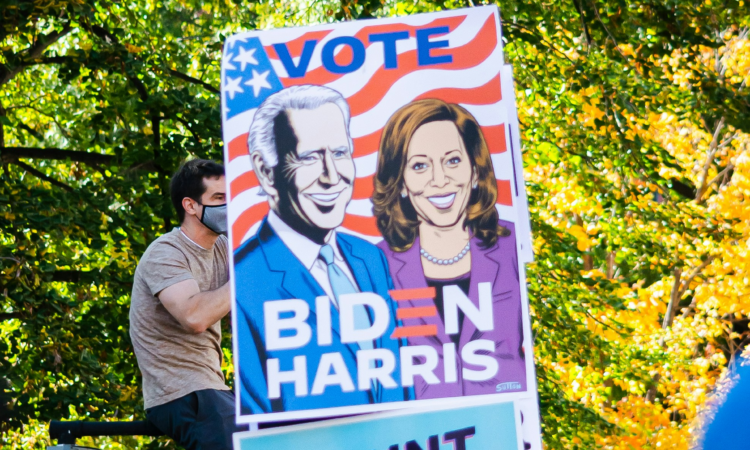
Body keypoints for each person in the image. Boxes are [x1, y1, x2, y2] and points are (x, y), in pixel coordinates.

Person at [233, 85, 410, 417]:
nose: (333, 176)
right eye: (310, 157)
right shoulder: (245, 279)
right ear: (267, 172)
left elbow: (401, 378)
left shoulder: (371, 259)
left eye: (341, 153)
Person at [373, 98, 526, 399]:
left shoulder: (513, 245)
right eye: (419, 165)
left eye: (453, 161)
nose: (440, 180)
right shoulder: (375, 265)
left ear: (475, 171)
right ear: (401, 182)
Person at [129, 159, 245, 450]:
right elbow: (195, 316)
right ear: (190, 206)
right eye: (219, 198)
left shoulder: (222, 248)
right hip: (179, 392)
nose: (228, 205)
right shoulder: (165, 252)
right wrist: (247, 274)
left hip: (212, 387)